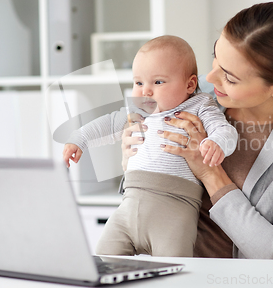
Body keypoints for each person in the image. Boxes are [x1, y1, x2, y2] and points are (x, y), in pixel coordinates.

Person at [121, 2, 273, 260]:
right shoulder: (189, 101)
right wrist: (133, 163)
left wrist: (211, 174)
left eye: (230, 78)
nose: (209, 79)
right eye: (215, 58)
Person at [63, 35, 238, 257]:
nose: (145, 91)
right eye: (138, 83)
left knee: (175, 272)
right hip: (128, 207)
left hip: (175, 210)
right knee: (103, 260)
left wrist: (216, 142)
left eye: (158, 82)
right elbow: (108, 124)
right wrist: (79, 138)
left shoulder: (201, 105)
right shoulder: (139, 111)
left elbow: (225, 131)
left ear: (190, 84)